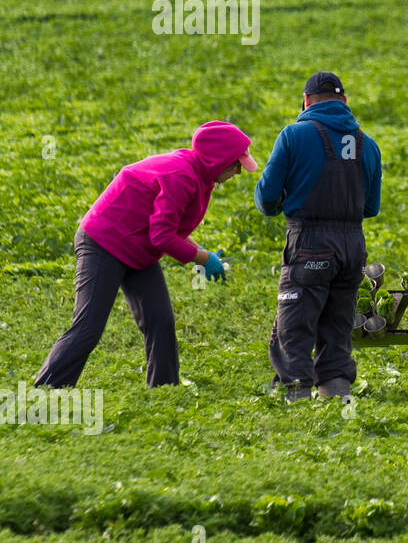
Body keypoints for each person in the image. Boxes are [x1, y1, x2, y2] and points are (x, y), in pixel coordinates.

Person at [35, 121, 257, 388]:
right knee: (88, 327)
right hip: (104, 242)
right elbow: (162, 236)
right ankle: (46, 391)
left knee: (160, 321)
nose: (238, 171)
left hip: (137, 248)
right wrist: (202, 259)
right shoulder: (182, 175)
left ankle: (164, 393)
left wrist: (202, 253)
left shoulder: (200, 176)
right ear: (218, 160)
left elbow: (167, 227)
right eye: (236, 164)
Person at [255, 72, 382, 402]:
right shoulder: (368, 144)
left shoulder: (293, 135)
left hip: (309, 242)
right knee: (337, 327)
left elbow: (267, 198)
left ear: (306, 100)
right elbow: (371, 207)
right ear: (344, 102)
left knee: (294, 326)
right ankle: (336, 397)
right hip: (352, 246)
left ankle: (296, 399)